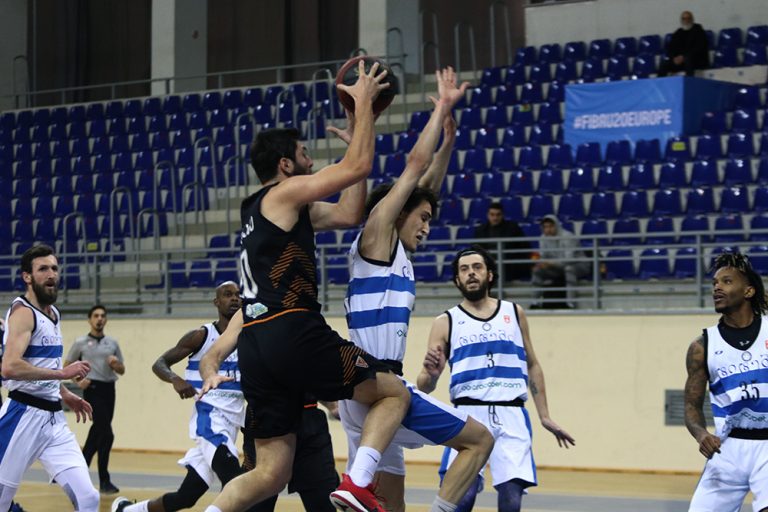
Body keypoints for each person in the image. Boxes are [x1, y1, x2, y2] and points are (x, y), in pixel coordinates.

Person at [200, 60, 411, 512]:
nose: (311, 161)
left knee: (270, 473)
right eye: (303, 154)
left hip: (257, 344)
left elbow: (349, 213)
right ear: (284, 164)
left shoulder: (263, 209)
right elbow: (358, 165)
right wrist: (364, 109)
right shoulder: (284, 193)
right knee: (394, 392)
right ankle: (357, 484)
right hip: (292, 330)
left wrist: (357, 136)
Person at [340, 66, 494, 512]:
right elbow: (414, 168)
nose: (427, 227)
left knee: (389, 504)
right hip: (378, 382)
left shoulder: (394, 252)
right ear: (398, 211)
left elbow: (426, 186)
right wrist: (440, 107)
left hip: (365, 391)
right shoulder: (377, 235)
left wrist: (448, 143)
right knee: (480, 440)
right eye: (422, 219)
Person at [417, 245, 575, 512]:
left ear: (489, 274)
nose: (471, 273)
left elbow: (533, 364)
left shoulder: (514, 312)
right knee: (462, 497)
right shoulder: (445, 321)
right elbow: (424, 386)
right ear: (457, 279)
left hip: (511, 412)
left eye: (477, 267)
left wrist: (545, 415)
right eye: (464, 269)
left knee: (511, 499)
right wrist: (430, 376)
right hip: (468, 414)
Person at [111, 281, 248, 512]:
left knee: (186, 498)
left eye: (238, 294)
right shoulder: (202, 336)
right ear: (216, 302)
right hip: (211, 421)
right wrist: (175, 379)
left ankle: (127, 510)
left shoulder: (246, 338)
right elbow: (159, 363)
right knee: (236, 483)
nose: (235, 298)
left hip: (232, 424)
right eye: (228, 294)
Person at [199, 312, 340, 512]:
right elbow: (212, 356)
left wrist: (333, 404)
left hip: (309, 420)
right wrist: (210, 374)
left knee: (323, 502)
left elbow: (309, 369)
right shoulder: (248, 312)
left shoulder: (305, 310)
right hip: (266, 417)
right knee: (257, 504)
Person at [0, 244, 99, 512]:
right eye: (43, 269)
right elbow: (9, 367)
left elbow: (42, 364)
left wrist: (63, 393)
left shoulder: (54, 314)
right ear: (27, 277)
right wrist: (63, 375)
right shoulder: (23, 313)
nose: (51, 274)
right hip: (21, 416)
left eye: (54, 268)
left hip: (54, 421)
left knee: (89, 498)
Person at [685, 252, 768, 512]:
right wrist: (701, 434)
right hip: (727, 448)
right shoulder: (702, 346)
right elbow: (691, 406)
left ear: (749, 291)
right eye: (715, 283)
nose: (717, 288)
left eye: (727, 281)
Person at [65, 304, 125, 494]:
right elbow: (66, 366)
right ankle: (104, 481)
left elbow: (122, 370)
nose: (99, 319)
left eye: (102, 316)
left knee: (96, 435)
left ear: (106, 319)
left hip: (109, 389)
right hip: (93, 389)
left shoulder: (112, 343)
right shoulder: (80, 342)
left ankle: (76, 477)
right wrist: (78, 380)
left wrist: (115, 364)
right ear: (89, 320)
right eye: (96, 316)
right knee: (107, 434)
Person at [531, 214, 590, 309]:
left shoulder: (567, 236)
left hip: (578, 264)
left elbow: (569, 259)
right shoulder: (542, 238)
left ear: (557, 226)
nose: (548, 230)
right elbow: (543, 256)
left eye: (551, 226)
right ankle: (535, 303)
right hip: (557, 267)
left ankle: (570, 304)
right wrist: (541, 264)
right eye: (545, 227)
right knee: (537, 270)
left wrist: (550, 263)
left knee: (569, 269)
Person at [474, 202, 531, 281]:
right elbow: (476, 249)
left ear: (502, 215)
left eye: (498, 215)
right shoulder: (480, 230)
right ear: (488, 215)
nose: (495, 218)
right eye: (492, 215)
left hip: (507, 263)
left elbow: (524, 246)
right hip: (488, 263)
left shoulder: (512, 228)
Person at [657, 11, 709, 77]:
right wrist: (674, 58)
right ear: (681, 20)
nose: (686, 21)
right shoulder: (678, 33)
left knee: (688, 59)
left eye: (688, 18)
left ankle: (689, 81)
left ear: (692, 19)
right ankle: (659, 83)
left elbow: (700, 47)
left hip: (696, 60)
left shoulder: (698, 30)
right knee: (664, 64)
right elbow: (671, 49)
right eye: (684, 19)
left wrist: (684, 57)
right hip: (681, 62)